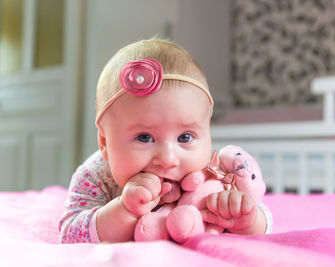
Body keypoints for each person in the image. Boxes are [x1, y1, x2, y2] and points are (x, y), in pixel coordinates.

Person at [59, 39, 272, 243]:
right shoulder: (96, 176)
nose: (168, 159)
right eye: (144, 137)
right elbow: (72, 233)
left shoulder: (209, 172)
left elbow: (266, 219)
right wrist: (124, 209)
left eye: (185, 137)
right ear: (105, 143)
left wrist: (246, 218)